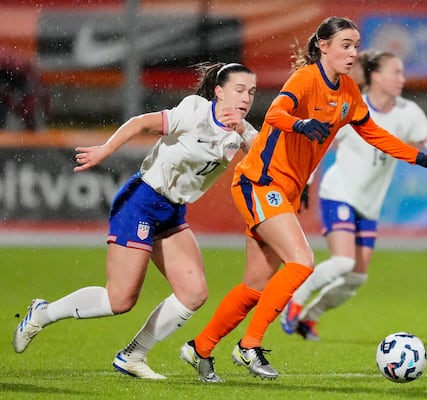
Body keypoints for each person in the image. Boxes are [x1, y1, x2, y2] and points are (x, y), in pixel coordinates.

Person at [179, 16, 427, 382]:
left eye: (356, 46)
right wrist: (298, 124)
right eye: (345, 44)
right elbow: (277, 112)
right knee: (301, 262)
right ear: (323, 46)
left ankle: (199, 348)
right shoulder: (306, 78)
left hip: (284, 191)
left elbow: (374, 133)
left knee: (255, 287)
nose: (353, 52)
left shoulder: (347, 92)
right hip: (260, 182)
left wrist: (421, 157)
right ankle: (249, 345)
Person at [12, 62, 258, 381]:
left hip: (171, 211)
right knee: (120, 300)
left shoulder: (241, 130)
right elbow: (141, 122)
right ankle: (43, 312)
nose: (245, 98)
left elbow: (264, 157)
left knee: (194, 293)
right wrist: (105, 150)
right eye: (239, 90)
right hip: (141, 202)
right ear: (219, 92)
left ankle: (133, 356)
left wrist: (241, 132)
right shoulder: (194, 112)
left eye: (251, 92)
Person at [280, 50, 427, 341]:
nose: (402, 79)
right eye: (396, 72)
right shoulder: (352, 105)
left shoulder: (408, 113)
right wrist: (306, 182)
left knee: (356, 278)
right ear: (375, 76)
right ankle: (294, 301)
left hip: (369, 204)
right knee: (343, 262)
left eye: (402, 73)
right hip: (339, 193)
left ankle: (309, 318)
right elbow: (319, 145)